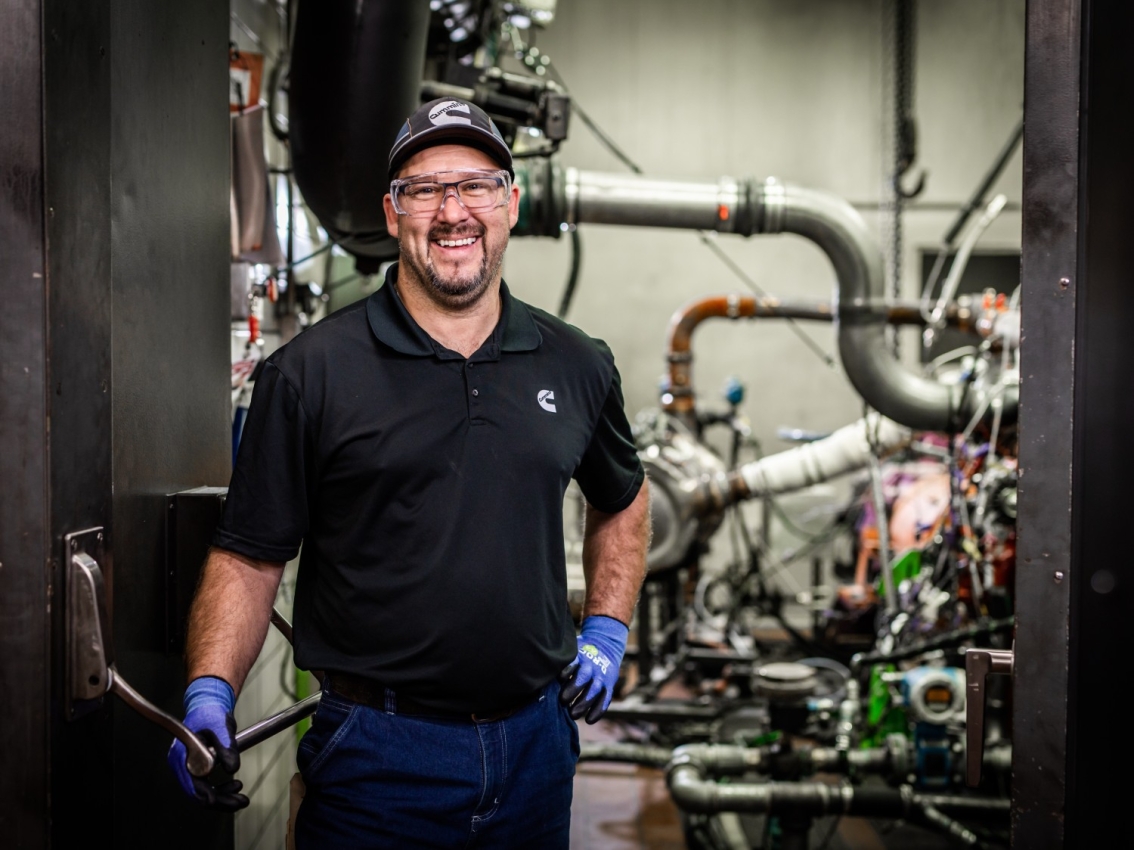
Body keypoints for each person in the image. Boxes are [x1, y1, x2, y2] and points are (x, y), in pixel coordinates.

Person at [166, 97, 650, 849]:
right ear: (393, 214)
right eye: (425, 189)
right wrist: (210, 691)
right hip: (376, 759)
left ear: (511, 203)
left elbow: (623, 498)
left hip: (537, 750)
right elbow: (250, 554)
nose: (453, 210)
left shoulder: (578, 362)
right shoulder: (308, 374)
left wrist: (609, 630)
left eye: (477, 184)